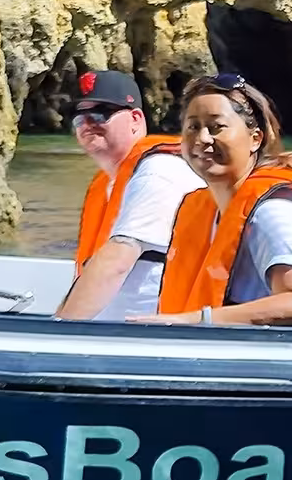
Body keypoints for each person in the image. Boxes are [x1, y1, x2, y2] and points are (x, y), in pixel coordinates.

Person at [130, 73, 292, 327]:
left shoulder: (273, 211)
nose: (202, 138)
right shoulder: (204, 208)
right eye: (193, 127)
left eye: (216, 128)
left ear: (255, 139)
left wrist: (191, 321)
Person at [53, 70, 205, 321]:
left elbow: (116, 263)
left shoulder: (158, 171)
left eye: (101, 112)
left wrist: (55, 333)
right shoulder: (109, 184)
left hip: (151, 339)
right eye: (79, 117)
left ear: (136, 119)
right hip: (110, 335)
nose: (88, 122)